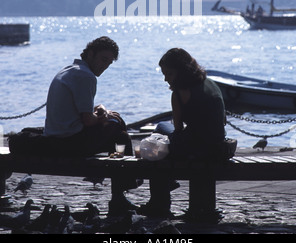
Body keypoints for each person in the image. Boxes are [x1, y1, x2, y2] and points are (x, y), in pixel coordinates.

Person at [43, 36, 139, 216]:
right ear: (90, 53)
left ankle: (124, 190)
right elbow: (88, 120)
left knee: (120, 136)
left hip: (55, 137)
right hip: (68, 142)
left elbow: (81, 112)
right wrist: (107, 116)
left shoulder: (69, 70)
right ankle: (125, 188)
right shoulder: (85, 76)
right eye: (103, 60)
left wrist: (101, 111)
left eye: (109, 63)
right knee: (117, 124)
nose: (105, 66)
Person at [138, 47, 227, 218]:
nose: (165, 79)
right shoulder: (211, 84)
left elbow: (178, 129)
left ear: (182, 71)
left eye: (169, 74)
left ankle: (159, 203)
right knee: (163, 133)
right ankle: (168, 193)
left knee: (158, 138)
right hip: (217, 146)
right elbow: (222, 121)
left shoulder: (180, 93)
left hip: (197, 147)